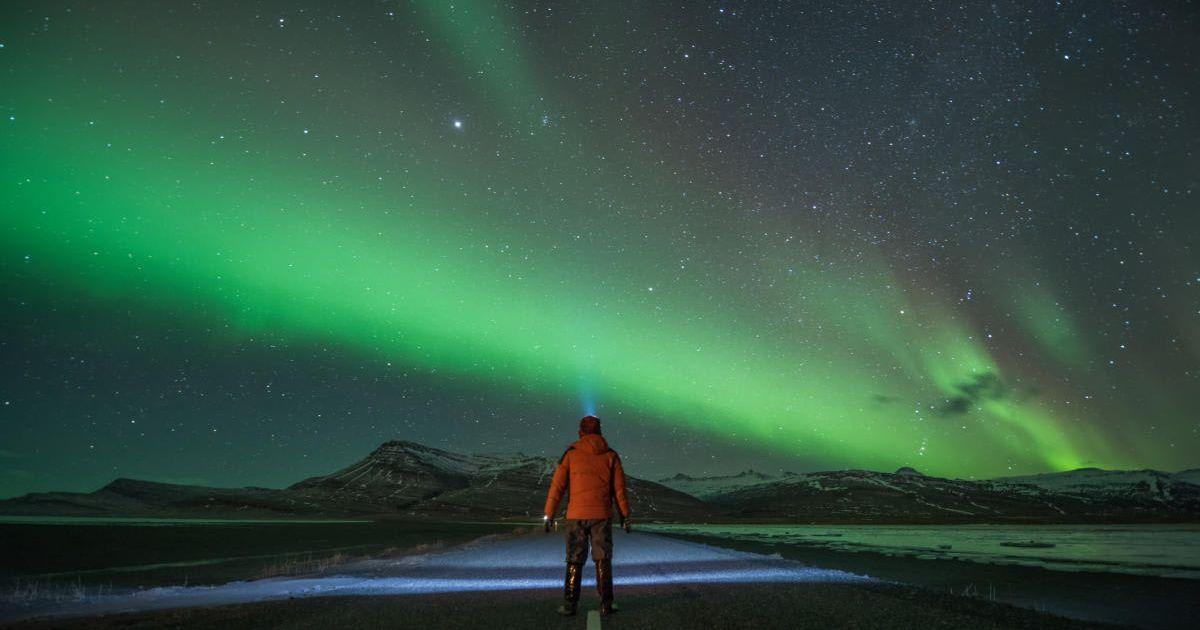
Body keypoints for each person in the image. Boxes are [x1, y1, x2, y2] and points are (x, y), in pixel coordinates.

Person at [543, 414, 632, 616]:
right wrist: (625, 516)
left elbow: (557, 488)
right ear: (600, 431)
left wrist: (549, 514)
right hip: (601, 514)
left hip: (576, 515)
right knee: (603, 557)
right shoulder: (611, 455)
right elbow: (619, 491)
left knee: (574, 557)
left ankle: (569, 604)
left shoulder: (570, 454)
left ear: (581, 432)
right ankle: (606, 604)